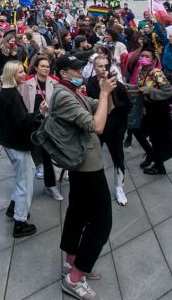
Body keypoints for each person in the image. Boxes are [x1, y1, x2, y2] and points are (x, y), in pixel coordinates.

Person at [53, 55, 115, 300]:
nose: (81, 71)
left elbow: (104, 109)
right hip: (86, 164)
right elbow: (97, 126)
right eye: (76, 68)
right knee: (101, 221)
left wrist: (106, 91)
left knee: (77, 212)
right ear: (64, 73)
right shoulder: (64, 95)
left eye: (81, 67)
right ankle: (75, 278)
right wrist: (103, 95)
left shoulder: (74, 90)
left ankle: (71, 262)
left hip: (83, 160)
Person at [0, 61, 42, 238]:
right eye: (20, 72)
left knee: (27, 172)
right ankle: (20, 222)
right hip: (17, 144)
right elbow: (22, 122)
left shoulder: (7, 92)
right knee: (26, 183)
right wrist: (39, 115)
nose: (24, 74)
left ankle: (14, 206)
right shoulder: (12, 95)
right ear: (12, 75)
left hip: (11, 142)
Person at [85, 55, 131, 206]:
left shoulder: (117, 84)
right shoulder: (90, 85)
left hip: (116, 128)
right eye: (100, 66)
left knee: (118, 158)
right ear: (94, 67)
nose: (103, 69)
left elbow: (127, 105)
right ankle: (93, 187)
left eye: (106, 65)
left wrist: (115, 102)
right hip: (98, 129)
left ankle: (119, 187)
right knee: (92, 159)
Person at [20, 54, 64, 201]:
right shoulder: (27, 82)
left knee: (48, 154)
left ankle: (50, 185)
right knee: (29, 156)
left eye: (47, 66)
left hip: (48, 124)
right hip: (31, 123)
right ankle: (25, 188)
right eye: (42, 66)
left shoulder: (55, 82)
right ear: (36, 68)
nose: (45, 69)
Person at [131, 47, 172, 176]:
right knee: (138, 131)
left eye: (147, 56)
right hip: (147, 109)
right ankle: (150, 155)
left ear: (153, 60)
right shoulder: (140, 70)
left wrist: (149, 91)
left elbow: (168, 91)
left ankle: (159, 167)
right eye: (142, 55)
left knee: (156, 138)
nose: (143, 58)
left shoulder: (157, 73)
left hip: (158, 111)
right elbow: (141, 86)